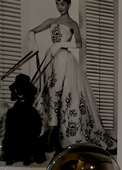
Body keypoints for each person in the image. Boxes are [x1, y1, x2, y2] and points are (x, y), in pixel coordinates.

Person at [28, 0, 116, 153]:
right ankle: (49, 134)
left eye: (63, 3)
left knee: (63, 94)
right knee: (50, 92)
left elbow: (79, 44)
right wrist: (34, 43)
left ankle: (57, 136)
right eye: (57, 3)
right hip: (51, 58)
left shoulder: (73, 23)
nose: (59, 7)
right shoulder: (51, 21)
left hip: (64, 59)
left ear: (69, 5)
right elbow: (32, 31)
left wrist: (61, 44)